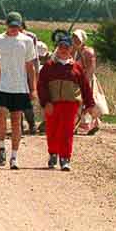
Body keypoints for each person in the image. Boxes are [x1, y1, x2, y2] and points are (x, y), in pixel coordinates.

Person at [36, 33, 97, 170]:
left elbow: (85, 86)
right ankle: (53, 153)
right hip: (53, 104)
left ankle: (65, 158)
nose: (63, 49)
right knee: (52, 129)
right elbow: (41, 85)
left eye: (66, 47)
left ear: (71, 49)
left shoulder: (76, 67)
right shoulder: (49, 66)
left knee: (67, 131)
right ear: (58, 48)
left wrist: (90, 104)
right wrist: (46, 102)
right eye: (61, 46)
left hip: (70, 104)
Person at [0, 12, 38, 170]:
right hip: (2, 85)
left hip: (19, 87)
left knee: (17, 120)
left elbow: (30, 67)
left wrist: (33, 88)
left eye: (17, 26)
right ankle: (2, 146)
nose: (14, 29)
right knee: (1, 115)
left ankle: (14, 156)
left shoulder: (27, 41)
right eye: (11, 25)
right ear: (6, 25)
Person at [72, 30, 110, 135]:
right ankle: (86, 124)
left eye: (77, 38)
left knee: (89, 102)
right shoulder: (75, 52)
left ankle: (91, 124)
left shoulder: (88, 52)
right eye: (74, 38)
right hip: (77, 81)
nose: (75, 40)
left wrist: (85, 83)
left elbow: (91, 68)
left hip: (87, 80)